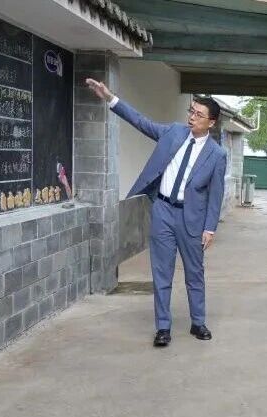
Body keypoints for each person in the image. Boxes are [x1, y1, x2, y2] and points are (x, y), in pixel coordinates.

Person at [85, 78, 227, 347]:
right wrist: (109, 98)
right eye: (191, 111)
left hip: (192, 219)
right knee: (162, 273)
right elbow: (140, 121)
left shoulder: (217, 155)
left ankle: (198, 322)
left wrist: (210, 228)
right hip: (162, 211)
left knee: (194, 273)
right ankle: (163, 327)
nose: (192, 117)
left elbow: (216, 194)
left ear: (211, 122)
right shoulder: (173, 132)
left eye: (199, 115)